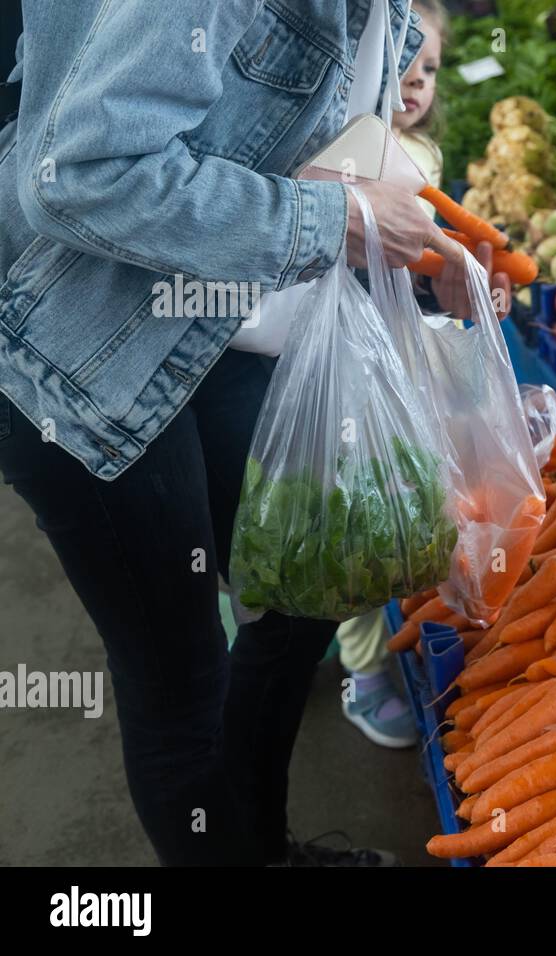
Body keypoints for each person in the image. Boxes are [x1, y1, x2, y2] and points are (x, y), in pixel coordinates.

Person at [0, 0, 509, 866]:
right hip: (87, 350)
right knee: (179, 680)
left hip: (225, 319)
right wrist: (341, 225)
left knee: (312, 573)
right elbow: (78, 173)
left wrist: (429, 263)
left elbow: (311, 147)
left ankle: (258, 847)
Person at [335, 0, 447, 751]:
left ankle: (398, 637)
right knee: (351, 517)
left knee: (404, 509)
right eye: (399, 67)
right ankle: (363, 671)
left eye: (429, 69)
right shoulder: (343, 152)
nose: (413, 83)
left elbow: (433, 257)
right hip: (344, 359)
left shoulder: (429, 163)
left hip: (403, 364)